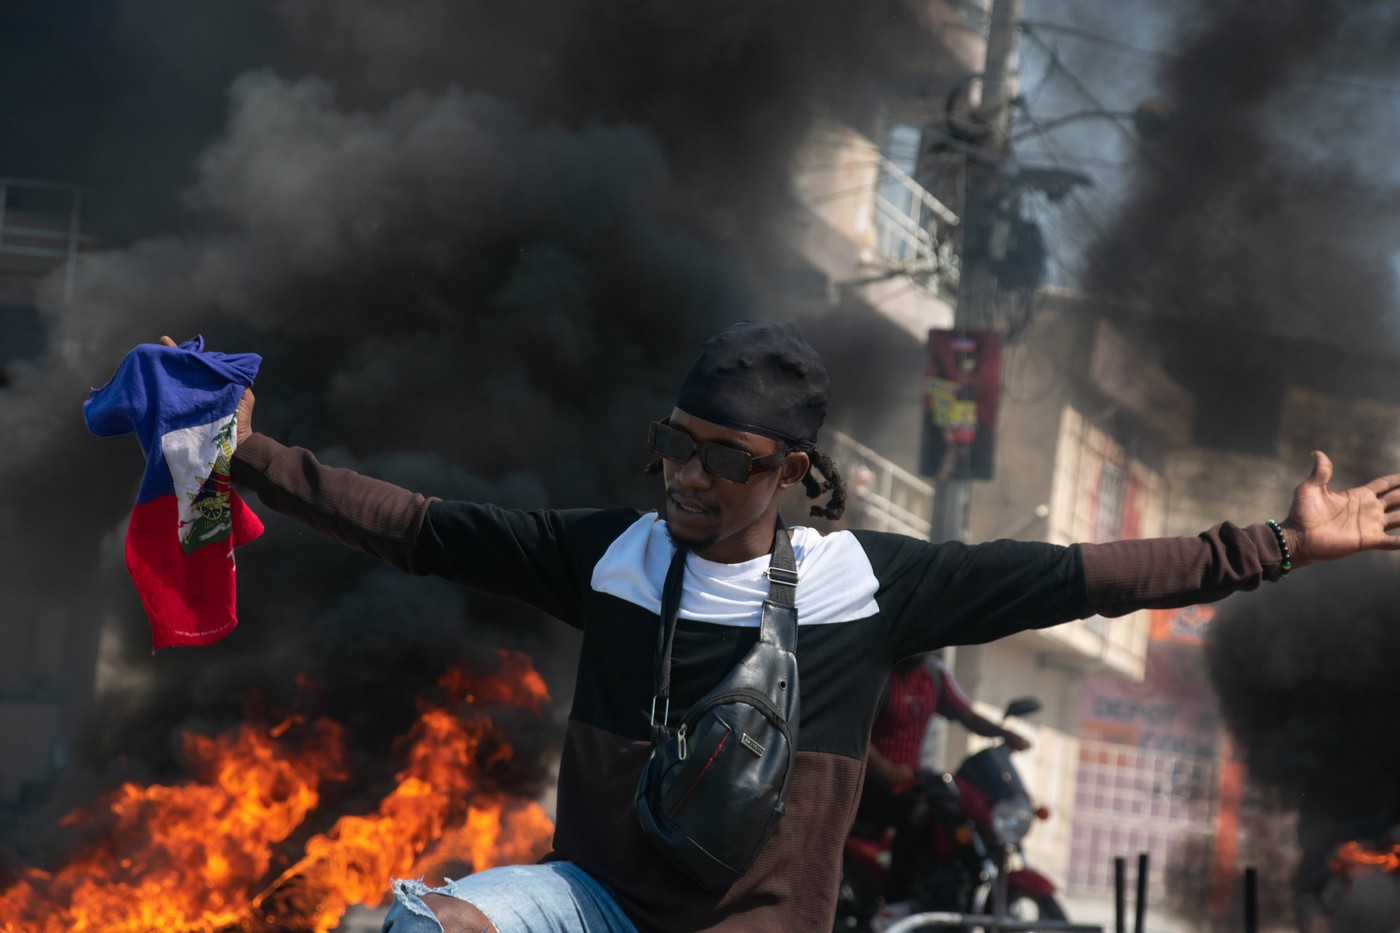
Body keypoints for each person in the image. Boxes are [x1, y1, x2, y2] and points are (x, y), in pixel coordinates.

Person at [160, 320, 1400, 933]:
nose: (688, 480)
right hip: (592, 903)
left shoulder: (865, 588)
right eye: (675, 447)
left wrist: (1281, 544)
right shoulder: (612, 556)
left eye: (727, 460)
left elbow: (1087, 574)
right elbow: (411, 523)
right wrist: (243, 450)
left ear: (793, 473)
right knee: (416, 925)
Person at [859, 653, 1029, 916]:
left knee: (953, 813)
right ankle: (895, 903)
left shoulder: (935, 675)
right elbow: (855, 729)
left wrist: (1003, 733)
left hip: (913, 779)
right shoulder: (879, 671)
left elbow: (967, 716)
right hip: (869, 781)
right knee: (915, 814)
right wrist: (887, 769)